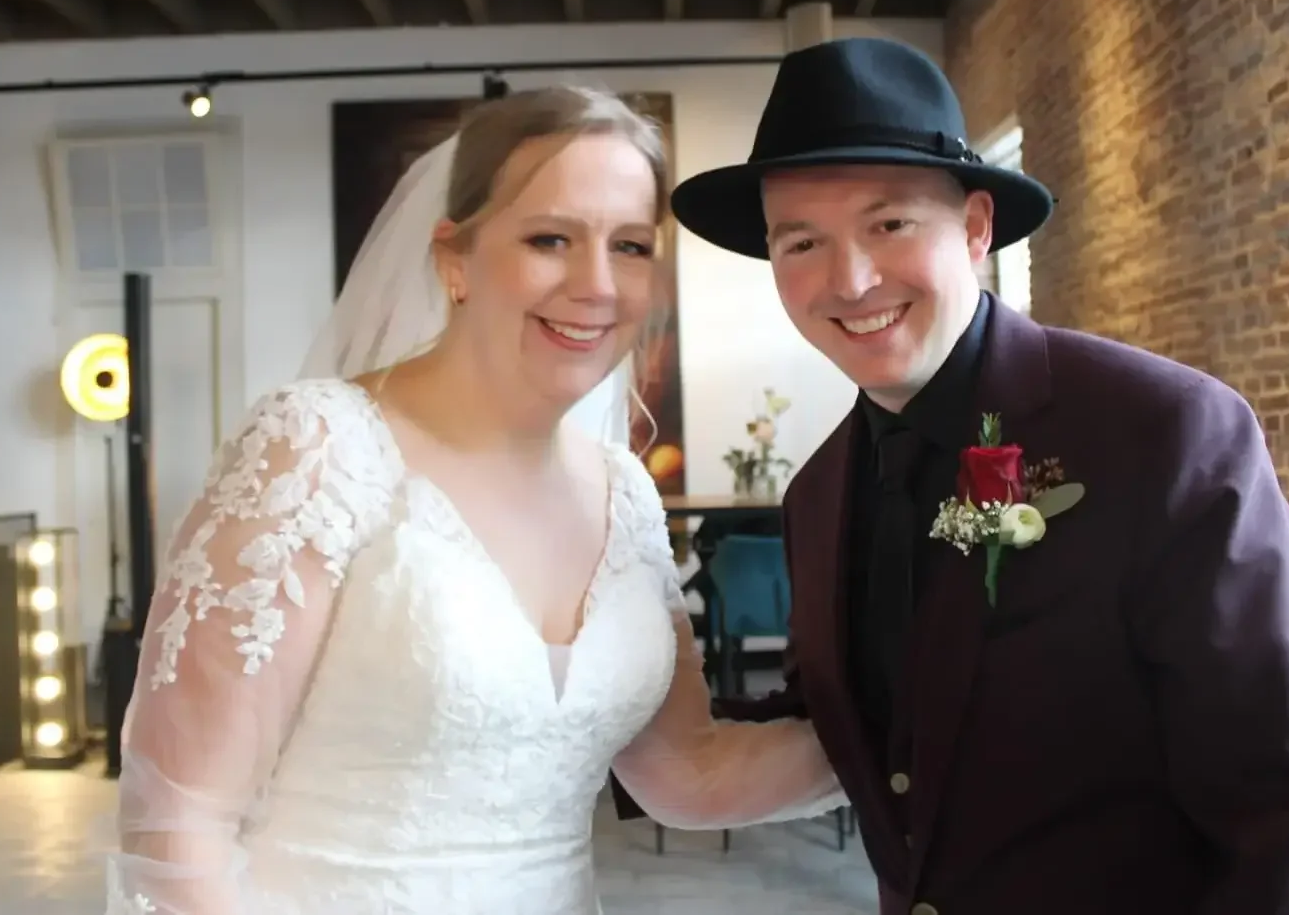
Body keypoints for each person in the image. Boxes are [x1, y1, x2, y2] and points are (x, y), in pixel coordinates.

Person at [650, 35, 1289, 914]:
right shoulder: (819, 493)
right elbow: (851, 728)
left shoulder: (1162, 431)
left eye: (889, 224)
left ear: (978, 227)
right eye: (801, 242)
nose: (850, 279)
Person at [105, 85, 845, 914]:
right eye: (549, 238)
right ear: (454, 259)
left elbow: (688, 771)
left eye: (631, 246)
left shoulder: (625, 493)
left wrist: (929, 734)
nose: (597, 285)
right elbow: (179, 828)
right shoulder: (315, 450)